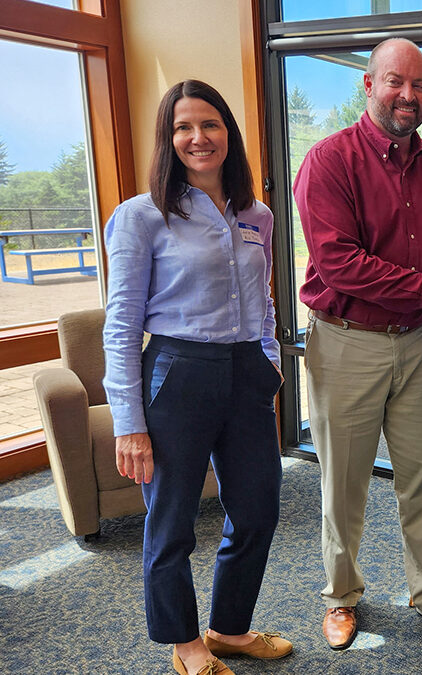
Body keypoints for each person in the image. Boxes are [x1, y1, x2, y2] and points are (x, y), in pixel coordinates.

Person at [292, 38, 422, 651]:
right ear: (367, 86)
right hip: (347, 343)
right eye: (395, 82)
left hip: (421, 344)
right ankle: (342, 596)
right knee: (343, 483)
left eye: (419, 85)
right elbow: (341, 264)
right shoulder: (327, 161)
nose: (408, 95)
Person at [103, 80, 291, 675]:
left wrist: (270, 364)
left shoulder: (254, 212)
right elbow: (120, 325)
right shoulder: (141, 216)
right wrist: (128, 424)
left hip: (244, 373)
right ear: (168, 139)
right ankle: (185, 644)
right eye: (183, 127)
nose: (198, 137)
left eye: (209, 124)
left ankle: (229, 629)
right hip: (176, 373)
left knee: (257, 510)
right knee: (173, 519)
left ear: (228, 133)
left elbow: (262, 301)